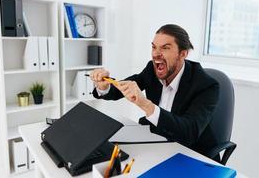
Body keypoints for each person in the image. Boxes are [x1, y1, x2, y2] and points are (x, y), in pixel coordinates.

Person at [90, 24, 219, 157]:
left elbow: (188, 133)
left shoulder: (207, 86)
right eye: (154, 47)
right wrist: (104, 87)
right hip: (157, 143)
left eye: (165, 48)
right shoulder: (152, 69)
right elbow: (125, 87)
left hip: (191, 153)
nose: (156, 54)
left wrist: (145, 104)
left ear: (183, 54)